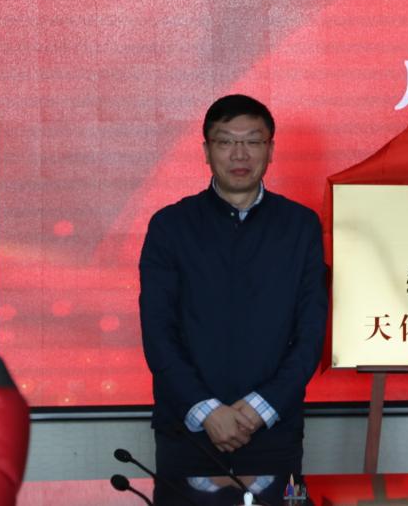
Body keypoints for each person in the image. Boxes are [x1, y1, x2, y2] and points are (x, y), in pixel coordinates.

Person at [139, 94, 328, 477]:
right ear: (206, 151)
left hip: (274, 429)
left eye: (253, 141)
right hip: (188, 431)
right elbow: (158, 332)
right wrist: (206, 410)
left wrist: (261, 407)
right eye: (225, 141)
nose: (239, 154)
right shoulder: (170, 226)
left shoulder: (300, 226)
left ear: (270, 150)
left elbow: (311, 332)